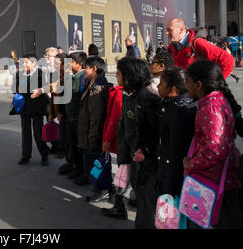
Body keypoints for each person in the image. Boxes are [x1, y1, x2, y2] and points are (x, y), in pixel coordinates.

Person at [101, 57, 162, 229]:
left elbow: (156, 132)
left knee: (146, 197)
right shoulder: (129, 95)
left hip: (146, 159)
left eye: (119, 74)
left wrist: (145, 150)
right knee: (138, 191)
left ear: (129, 77)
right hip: (132, 154)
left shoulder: (147, 98)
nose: (116, 76)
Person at [183, 59, 243, 228]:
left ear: (198, 85)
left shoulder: (211, 107)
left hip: (212, 182)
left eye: (187, 81)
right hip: (219, 178)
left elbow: (215, 150)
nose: (185, 85)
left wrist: (191, 163)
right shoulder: (215, 100)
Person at [147, 67, 197, 216]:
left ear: (173, 89)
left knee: (169, 217)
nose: (157, 86)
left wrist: (167, 188)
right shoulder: (182, 105)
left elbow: (174, 152)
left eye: (161, 83)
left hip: (170, 177)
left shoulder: (177, 111)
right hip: (173, 174)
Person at [76, 57, 110, 188]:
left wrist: (92, 136)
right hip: (87, 128)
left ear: (94, 68)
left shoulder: (97, 87)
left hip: (92, 131)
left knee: (94, 156)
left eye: (87, 67)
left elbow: (95, 116)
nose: (85, 70)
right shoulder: (91, 82)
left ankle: (96, 182)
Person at [166, 17, 235, 79]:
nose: (166, 33)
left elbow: (228, 60)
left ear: (181, 30)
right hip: (184, 90)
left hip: (197, 91)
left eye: (169, 30)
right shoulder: (171, 48)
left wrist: (215, 85)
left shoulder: (198, 43)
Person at [14, 54, 50, 166]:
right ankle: (26, 155)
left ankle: (44, 154)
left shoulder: (40, 73)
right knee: (25, 132)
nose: (24, 65)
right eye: (23, 62)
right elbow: (16, 88)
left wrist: (24, 88)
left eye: (26, 62)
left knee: (38, 133)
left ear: (34, 63)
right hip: (24, 107)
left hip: (37, 108)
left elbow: (39, 88)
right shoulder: (19, 74)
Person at [57, 52, 87, 178]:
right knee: (70, 142)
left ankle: (80, 168)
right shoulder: (71, 76)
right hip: (69, 117)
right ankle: (73, 164)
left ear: (79, 64)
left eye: (72, 62)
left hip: (78, 118)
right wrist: (61, 112)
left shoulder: (83, 78)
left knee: (78, 145)